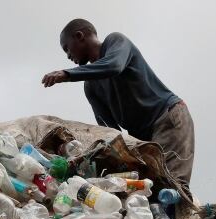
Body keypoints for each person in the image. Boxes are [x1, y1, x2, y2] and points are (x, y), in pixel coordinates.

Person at [42, 19, 194, 187]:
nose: (68, 55)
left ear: (80, 36)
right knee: (147, 188)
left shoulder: (115, 42)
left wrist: (67, 74)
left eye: (67, 48)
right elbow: (110, 130)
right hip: (141, 138)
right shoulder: (91, 87)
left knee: (171, 186)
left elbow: (113, 66)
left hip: (166, 118)